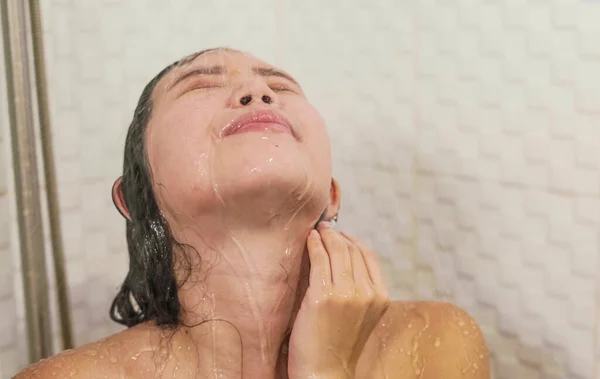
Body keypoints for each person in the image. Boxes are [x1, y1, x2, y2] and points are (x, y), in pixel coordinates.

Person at [15, 48, 489, 379]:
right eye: (199, 85)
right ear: (137, 199)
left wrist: (326, 371)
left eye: (279, 86)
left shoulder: (432, 342)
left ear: (331, 194)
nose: (258, 92)